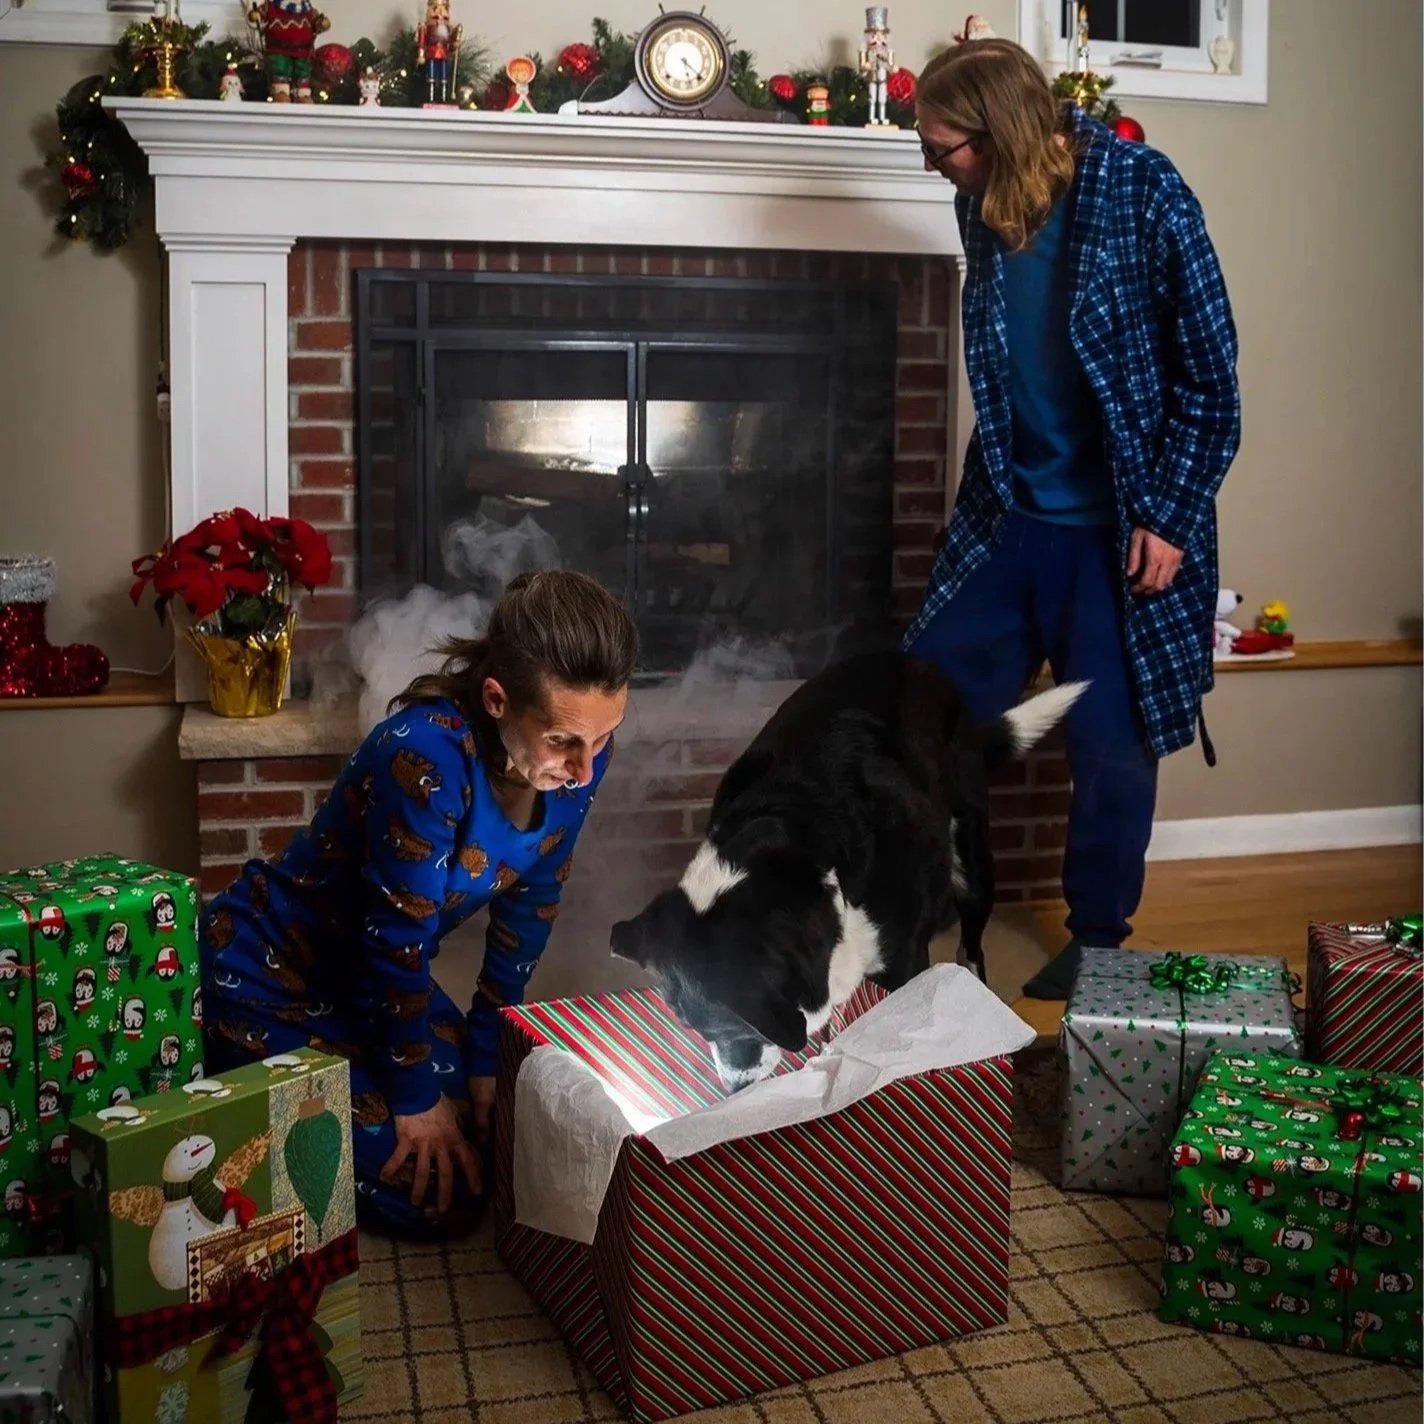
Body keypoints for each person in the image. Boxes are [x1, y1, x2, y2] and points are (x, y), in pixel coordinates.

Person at [903, 38, 1240, 999]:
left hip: (1124, 530)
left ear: (1004, 133)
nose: (936, 167)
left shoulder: (1144, 191)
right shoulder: (981, 202)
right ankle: (908, 904)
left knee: (1111, 747)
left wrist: (1170, 519)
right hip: (1011, 515)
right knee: (919, 705)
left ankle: (1099, 941)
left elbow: (1213, 390)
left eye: (945, 148)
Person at [201, 570, 638, 1236]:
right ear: (496, 700)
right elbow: (394, 942)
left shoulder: (581, 756)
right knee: (433, 1192)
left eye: (603, 737)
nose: (585, 769)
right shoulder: (424, 758)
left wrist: (490, 1051)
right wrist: (412, 1097)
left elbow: (532, 902)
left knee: (499, 1141)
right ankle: (214, 1073)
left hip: (368, 983)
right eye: (562, 743)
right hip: (266, 972)